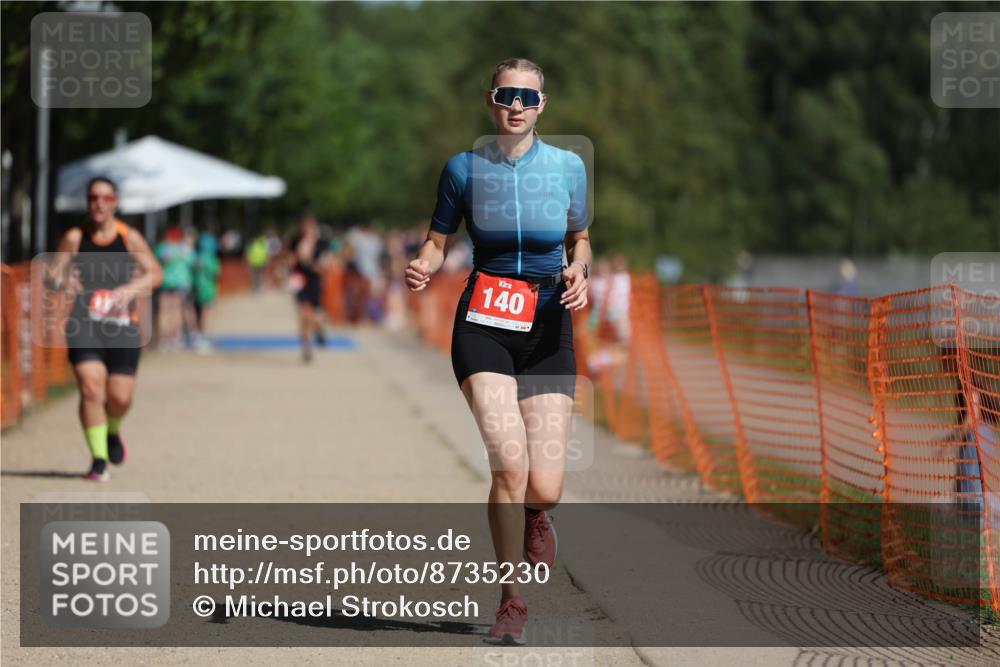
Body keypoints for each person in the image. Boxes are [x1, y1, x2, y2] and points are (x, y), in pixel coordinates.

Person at [405, 58, 591, 645]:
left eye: (526, 96)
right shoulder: (463, 169)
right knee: (509, 465)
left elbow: (579, 237)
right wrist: (424, 265)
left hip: (547, 326)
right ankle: (511, 601)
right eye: (505, 94)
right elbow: (438, 242)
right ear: (491, 101)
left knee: (547, 485)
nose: (515, 104)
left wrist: (581, 269)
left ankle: (537, 515)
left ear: (542, 106)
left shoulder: (568, 167)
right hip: (483, 324)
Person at [46, 176, 162, 481]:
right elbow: (52, 275)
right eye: (93, 198)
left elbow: (155, 274)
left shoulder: (130, 238)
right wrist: (63, 281)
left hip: (123, 327)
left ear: (115, 203)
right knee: (91, 387)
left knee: (120, 398)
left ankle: (112, 431)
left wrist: (130, 288)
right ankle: (98, 461)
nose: (98, 203)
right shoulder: (74, 237)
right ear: (88, 202)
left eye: (105, 198)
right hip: (85, 324)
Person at [287, 212, 329, 363]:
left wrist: (309, 261)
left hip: (314, 281)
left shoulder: (320, 243)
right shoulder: (295, 241)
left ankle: (319, 330)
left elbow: (322, 265)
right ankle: (306, 347)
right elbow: (290, 259)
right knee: (303, 314)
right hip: (299, 281)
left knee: (313, 315)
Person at [155, 226, 194, 350]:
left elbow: (157, 261)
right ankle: (175, 338)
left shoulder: (163, 248)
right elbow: (192, 262)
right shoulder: (184, 248)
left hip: (165, 282)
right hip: (180, 283)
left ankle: (163, 339)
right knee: (177, 311)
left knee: (164, 311)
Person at [191, 230, 221, 352]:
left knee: (197, 311)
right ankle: (204, 335)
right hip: (208, 288)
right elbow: (216, 274)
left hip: (197, 287)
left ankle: (197, 335)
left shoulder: (197, 257)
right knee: (206, 312)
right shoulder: (212, 259)